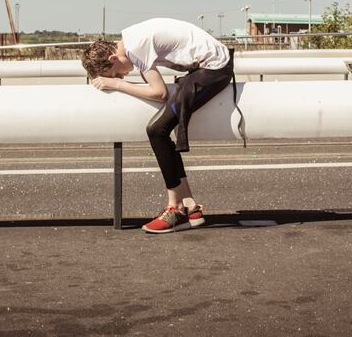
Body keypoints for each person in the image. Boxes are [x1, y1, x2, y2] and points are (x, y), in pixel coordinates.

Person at [81, 17, 243, 234]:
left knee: (157, 130)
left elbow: (159, 93)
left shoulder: (136, 48)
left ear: (113, 57)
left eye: (116, 72)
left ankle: (175, 208)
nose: (122, 75)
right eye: (118, 77)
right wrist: (119, 80)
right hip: (208, 67)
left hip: (215, 68)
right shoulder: (130, 39)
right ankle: (189, 206)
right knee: (161, 130)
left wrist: (117, 84)